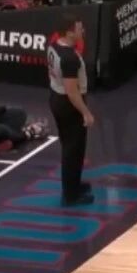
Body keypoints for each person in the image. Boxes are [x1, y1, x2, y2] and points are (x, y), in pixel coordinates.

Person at [47, 15, 94, 206]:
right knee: (73, 150)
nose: (82, 31)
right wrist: (86, 112)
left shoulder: (54, 46)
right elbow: (72, 91)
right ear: (69, 32)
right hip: (68, 105)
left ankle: (74, 184)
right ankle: (71, 195)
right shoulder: (69, 58)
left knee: (70, 145)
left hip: (56, 98)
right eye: (79, 29)